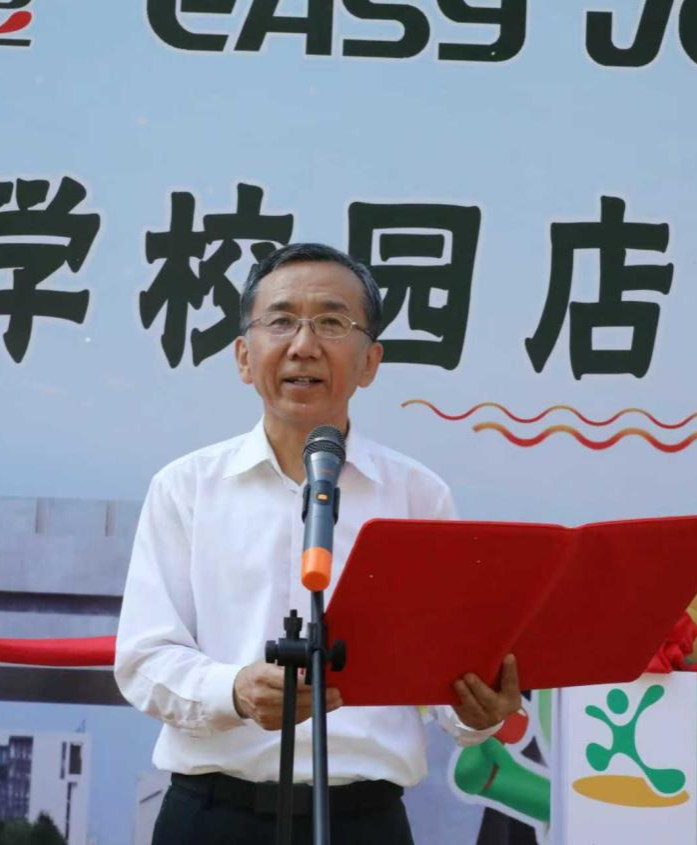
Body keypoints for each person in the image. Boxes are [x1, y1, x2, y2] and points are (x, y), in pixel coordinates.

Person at [116, 243, 521, 844]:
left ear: (370, 362)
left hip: (365, 819)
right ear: (243, 356)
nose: (303, 345)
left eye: (332, 323)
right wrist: (234, 691)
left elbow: (446, 680)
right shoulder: (186, 488)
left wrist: (477, 712)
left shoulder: (417, 496)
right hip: (212, 815)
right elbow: (144, 659)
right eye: (281, 321)